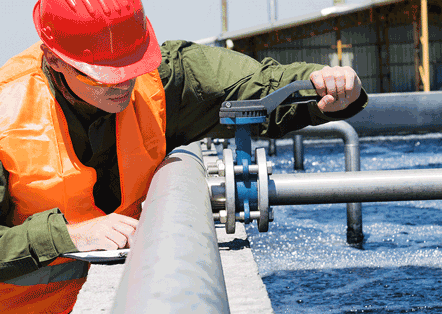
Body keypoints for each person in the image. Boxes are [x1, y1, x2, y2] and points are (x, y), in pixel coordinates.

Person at [0, 0, 367, 312]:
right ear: (56, 60)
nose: (123, 83)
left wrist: (325, 85)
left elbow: (258, 85)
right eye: (104, 75)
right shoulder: (6, 109)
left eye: (132, 66)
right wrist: (65, 235)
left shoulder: (164, 77)